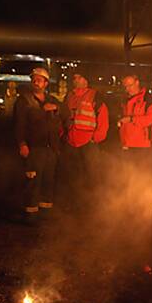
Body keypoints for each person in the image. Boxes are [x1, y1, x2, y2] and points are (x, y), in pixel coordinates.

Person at [13, 68, 61, 214]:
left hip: (50, 148)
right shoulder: (24, 101)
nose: (36, 82)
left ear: (46, 83)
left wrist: (56, 107)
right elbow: (18, 124)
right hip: (34, 148)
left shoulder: (51, 100)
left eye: (39, 80)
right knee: (33, 181)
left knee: (48, 181)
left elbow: (65, 112)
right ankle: (31, 214)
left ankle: (45, 212)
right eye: (34, 79)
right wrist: (22, 144)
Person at [61, 72, 109, 205]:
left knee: (92, 175)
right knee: (73, 175)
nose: (75, 79)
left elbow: (103, 118)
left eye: (78, 77)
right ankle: (76, 203)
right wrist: (63, 135)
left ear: (86, 80)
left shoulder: (95, 96)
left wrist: (96, 138)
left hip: (89, 142)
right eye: (74, 77)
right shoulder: (69, 96)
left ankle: (95, 204)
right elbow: (63, 116)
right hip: (71, 141)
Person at [118, 75, 152, 167]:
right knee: (127, 173)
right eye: (125, 86)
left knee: (142, 174)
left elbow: (151, 119)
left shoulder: (148, 99)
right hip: (126, 143)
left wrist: (131, 119)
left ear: (137, 82)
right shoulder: (124, 100)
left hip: (142, 145)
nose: (128, 89)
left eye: (130, 85)